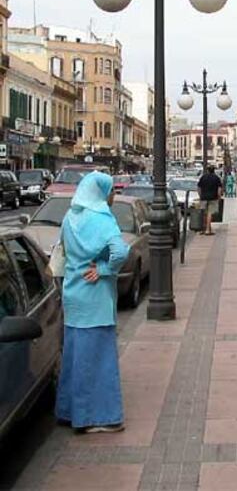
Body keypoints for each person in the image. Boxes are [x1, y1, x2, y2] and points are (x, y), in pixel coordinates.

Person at [55, 171, 130, 433]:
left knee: (75, 357)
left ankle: (68, 410)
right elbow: (120, 251)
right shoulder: (102, 219)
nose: (113, 196)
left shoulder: (70, 216)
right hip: (95, 295)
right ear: (101, 193)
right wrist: (105, 269)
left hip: (73, 294)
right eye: (111, 191)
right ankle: (96, 417)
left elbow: (61, 249)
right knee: (97, 359)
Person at [197, 165, 222, 236]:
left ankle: (205, 228)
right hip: (213, 197)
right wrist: (219, 197)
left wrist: (200, 195)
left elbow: (198, 187)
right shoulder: (217, 178)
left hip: (203, 197)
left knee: (204, 213)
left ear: (207, 170)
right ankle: (208, 229)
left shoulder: (203, 177)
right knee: (210, 213)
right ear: (214, 170)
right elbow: (219, 189)